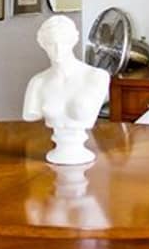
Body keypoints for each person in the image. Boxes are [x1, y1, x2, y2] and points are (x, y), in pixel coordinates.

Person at [23, 16, 109, 164]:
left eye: (63, 42)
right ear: (42, 44)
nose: (57, 49)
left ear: (73, 41)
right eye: (51, 44)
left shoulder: (96, 77)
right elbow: (30, 114)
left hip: (82, 158)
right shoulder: (37, 83)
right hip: (52, 162)